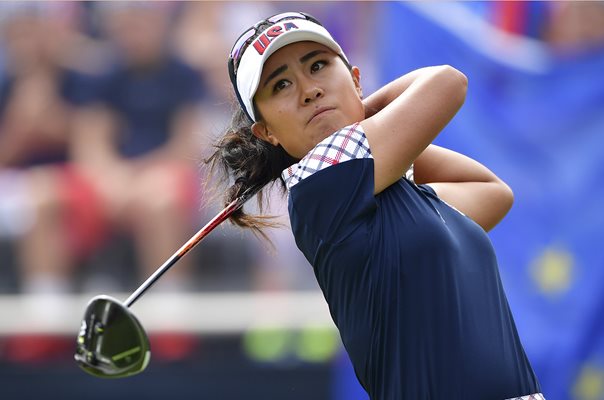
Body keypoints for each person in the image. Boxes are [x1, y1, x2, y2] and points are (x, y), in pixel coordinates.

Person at [206, 11, 544, 400]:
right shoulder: (320, 181)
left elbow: (493, 193)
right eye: (281, 85)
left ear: (354, 77)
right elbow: (448, 82)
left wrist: (384, 135)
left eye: (318, 65)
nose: (309, 90)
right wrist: (365, 112)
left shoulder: (391, 196)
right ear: (266, 133)